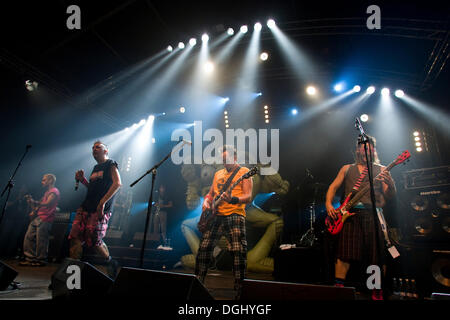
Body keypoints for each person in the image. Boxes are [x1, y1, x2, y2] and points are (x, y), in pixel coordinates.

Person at [325, 135, 396, 300]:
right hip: (349, 215)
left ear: (374, 149)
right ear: (357, 150)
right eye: (362, 146)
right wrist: (329, 205)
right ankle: (339, 288)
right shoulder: (346, 168)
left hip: (373, 214)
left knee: (376, 255)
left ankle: (375, 290)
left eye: (369, 146)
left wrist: (391, 185)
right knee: (344, 253)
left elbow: (389, 196)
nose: (366, 149)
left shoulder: (382, 169)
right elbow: (332, 187)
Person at [195, 145, 253, 299]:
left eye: (227, 159)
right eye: (223, 160)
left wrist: (233, 199)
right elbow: (211, 193)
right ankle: (197, 283)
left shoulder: (244, 172)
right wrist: (206, 202)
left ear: (235, 158)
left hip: (235, 215)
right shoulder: (218, 173)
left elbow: (248, 197)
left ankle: (241, 288)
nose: (225, 162)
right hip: (215, 216)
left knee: (237, 251)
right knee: (204, 249)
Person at [68, 141, 122, 277]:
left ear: (106, 151)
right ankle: (72, 277)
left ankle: (110, 262)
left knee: (95, 240)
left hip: (100, 210)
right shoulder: (95, 167)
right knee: (75, 237)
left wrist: (102, 202)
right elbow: (92, 188)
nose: (94, 149)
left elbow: (117, 183)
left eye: (98, 147)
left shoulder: (111, 164)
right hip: (86, 206)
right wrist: (83, 180)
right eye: (93, 147)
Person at [20, 174, 60, 266]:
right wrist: (31, 202)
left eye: (44, 180)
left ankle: (40, 260)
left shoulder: (54, 191)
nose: (42, 182)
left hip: (46, 218)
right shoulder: (46, 193)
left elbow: (47, 203)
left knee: (41, 241)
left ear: (50, 181)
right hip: (39, 217)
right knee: (28, 237)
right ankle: (30, 259)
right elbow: (38, 206)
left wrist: (34, 202)